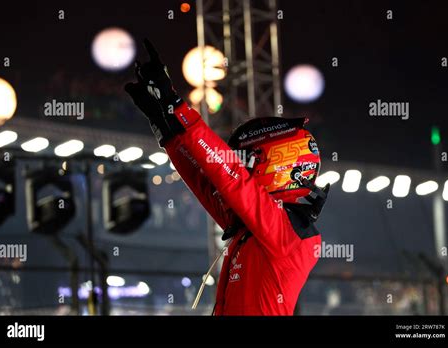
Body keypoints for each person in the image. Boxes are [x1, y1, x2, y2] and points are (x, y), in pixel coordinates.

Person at [125, 39, 329, 316]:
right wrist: (166, 126)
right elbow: (208, 183)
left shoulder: (287, 231)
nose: (242, 166)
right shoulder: (260, 227)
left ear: (279, 161)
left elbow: (228, 176)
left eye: (248, 159)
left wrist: (175, 105)